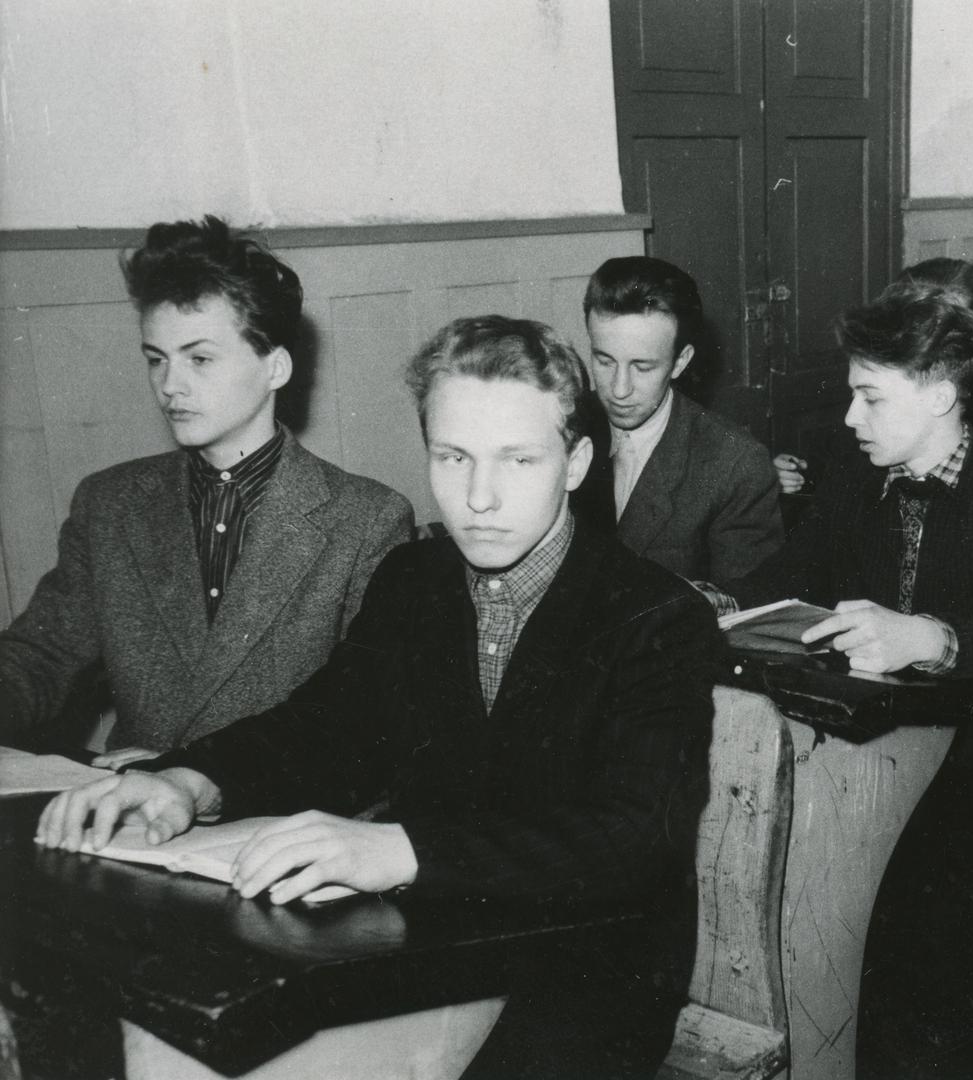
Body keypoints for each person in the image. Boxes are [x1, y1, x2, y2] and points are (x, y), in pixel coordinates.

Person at [38, 315, 719, 1079]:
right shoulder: (414, 580)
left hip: (585, 973)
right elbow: (328, 727)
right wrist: (189, 780)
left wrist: (398, 849)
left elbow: (632, 837)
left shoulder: (656, 617)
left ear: (576, 463)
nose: (479, 497)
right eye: (452, 457)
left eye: (518, 459)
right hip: (426, 944)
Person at [710, 285, 973, 1079]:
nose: (850, 417)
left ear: (939, 396)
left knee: (917, 918)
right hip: (867, 742)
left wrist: (928, 638)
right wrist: (717, 603)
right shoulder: (854, 478)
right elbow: (789, 575)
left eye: (870, 397)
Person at [0, 216, 413, 758]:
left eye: (199, 358)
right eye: (157, 359)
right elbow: (40, 657)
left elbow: (362, 719)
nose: (170, 385)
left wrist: (197, 776)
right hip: (126, 802)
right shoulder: (110, 504)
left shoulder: (366, 520)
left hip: (274, 802)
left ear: (275, 368)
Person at [572, 255, 783, 580]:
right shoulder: (563, 426)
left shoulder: (735, 466)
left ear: (680, 362)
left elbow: (744, 603)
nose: (619, 389)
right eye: (604, 361)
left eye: (642, 367)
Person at [773, 257, 973, 493]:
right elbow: (840, 465)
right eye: (914, 322)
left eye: (948, 326)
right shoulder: (875, 387)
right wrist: (799, 473)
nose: (928, 336)